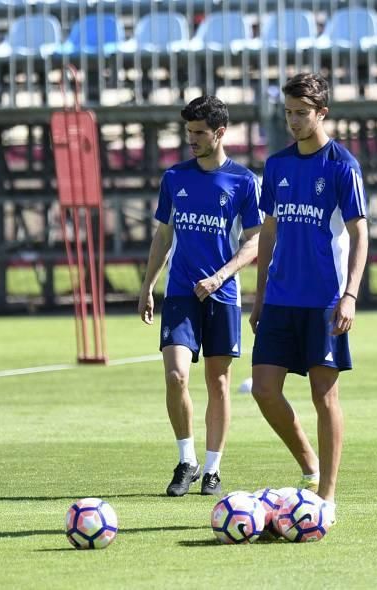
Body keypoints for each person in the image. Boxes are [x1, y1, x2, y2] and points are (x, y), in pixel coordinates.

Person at [249, 73, 369, 523]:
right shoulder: (277, 165)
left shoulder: (342, 165)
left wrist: (350, 295)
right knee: (263, 389)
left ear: (322, 113)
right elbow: (269, 233)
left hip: (324, 298)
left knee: (324, 395)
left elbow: (360, 234)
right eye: (288, 113)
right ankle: (308, 464)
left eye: (301, 112)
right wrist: (258, 296)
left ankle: (328, 497)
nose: (293, 121)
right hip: (280, 297)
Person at [139, 95, 263, 497]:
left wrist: (220, 277)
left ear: (220, 133)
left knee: (219, 384)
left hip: (222, 295)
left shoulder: (243, 182)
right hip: (180, 294)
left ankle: (212, 468)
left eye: (198, 133)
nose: (190, 140)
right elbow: (163, 236)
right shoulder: (175, 178)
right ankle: (186, 459)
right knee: (176, 376)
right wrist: (147, 287)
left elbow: (254, 242)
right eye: (188, 132)